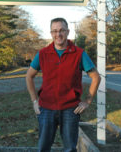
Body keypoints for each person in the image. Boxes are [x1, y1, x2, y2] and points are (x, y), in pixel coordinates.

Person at [26, 17, 101, 152]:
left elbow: (96, 77)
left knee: (70, 149)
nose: (58, 34)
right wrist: (34, 101)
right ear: (51, 33)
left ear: (67, 32)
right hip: (46, 109)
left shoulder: (79, 53)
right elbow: (29, 76)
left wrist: (88, 101)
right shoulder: (43, 54)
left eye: (61, 30)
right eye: (54, 31)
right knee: (43, 148)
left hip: (70, 109)